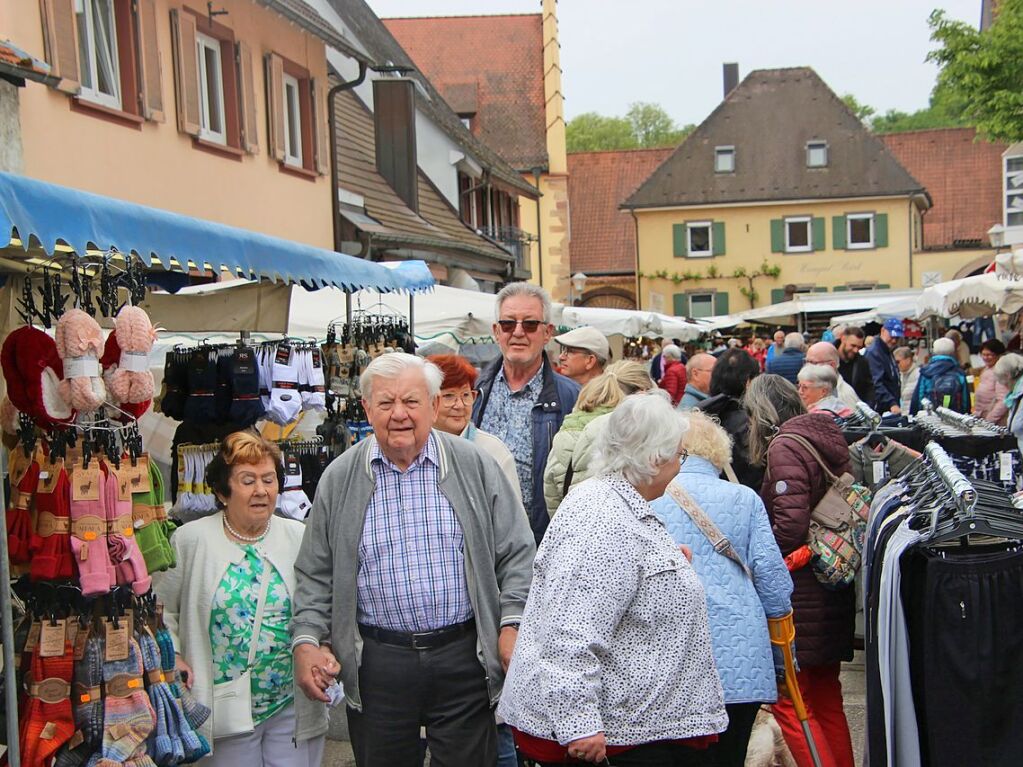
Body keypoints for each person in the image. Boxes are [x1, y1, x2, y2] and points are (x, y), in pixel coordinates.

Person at [291, 353, 536, 767]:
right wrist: (307, 641)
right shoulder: (339, 477)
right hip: (379, 661)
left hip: (464, 655)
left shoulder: (475, 465)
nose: (399, 414)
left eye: (411, 401)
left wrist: (511, 623)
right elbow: (316, 574)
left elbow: (517, 553)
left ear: (434, 406)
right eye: (385, 403)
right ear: (367, 409)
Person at [499, 394, 727, 766]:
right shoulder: (604, 518)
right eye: (678, 456)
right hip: (618, 736)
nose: (679, 466)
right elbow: (571, 628)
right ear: (654, 459)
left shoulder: (613, 503)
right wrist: (579, 724)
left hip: (633, 724)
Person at [155, 432, 329, 766]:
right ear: (222, 491)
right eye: (248, 481)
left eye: (269, 480)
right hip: (222, 706)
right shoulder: (190, 540)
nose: (261, 490)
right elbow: (162, 609)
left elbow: (320, 602)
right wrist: (173, 654)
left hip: (289, 701)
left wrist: (324, 647)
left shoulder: (298, 536)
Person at [650, 411, 793, 767]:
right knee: (729, 754)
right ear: (718, 453)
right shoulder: (744, 499)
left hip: (671, 651)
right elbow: (774, 584)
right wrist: (783, 661)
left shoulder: (646, 498)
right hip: (740, 655)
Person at [746, 375, 856, 767]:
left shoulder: (785, 447)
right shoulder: (825, 434)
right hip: (831, 583)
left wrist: (761, 560)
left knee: (792, 701)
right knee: (826, 696)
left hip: (800, 590)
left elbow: (789, 527)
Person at [473, 282, 580, 543]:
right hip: (482, 539)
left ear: (547, 332)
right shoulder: (473, 391)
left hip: (544, 542)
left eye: (530, 324)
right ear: (497, 331)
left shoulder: (572, 398)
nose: (518, 332)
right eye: (509, 324)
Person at [544, 361, 653, 515]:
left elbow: (551, 491)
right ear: (643, 392)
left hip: (570, 528)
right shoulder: (633, 436)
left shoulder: (567, 428)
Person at [428, 353, 520, 495]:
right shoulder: (416, 449)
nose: (459, 405)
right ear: (429, 401)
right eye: (449, 396)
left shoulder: (493, 450)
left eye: (465, 395)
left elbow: (511, 514)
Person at [699, 349, 763, 490]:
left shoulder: (699, 415)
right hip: (741, 497)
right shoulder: (748, 422)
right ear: (748, 382)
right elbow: (753, 473)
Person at [910, 337, 972, 414]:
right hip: (954, 416)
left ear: (934, 351)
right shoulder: (959, 373)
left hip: (930, 416)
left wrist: (914, 415)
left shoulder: (926, 372)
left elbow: (919, 396)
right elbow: (965, 401)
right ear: (953, 352)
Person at [865, 318, 904, 414]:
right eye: (891, 336)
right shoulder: (875, 352)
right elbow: (876, 383)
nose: (894, 341)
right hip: (880, 409)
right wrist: (892, 403)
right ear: (882, 330)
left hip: (888, 408)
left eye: (897, 338)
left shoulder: (887, 351)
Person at [806, 341, 860, 409]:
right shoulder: (814, 387)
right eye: (806, 362)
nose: (807, 367)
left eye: (813, 363)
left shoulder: (844, 395)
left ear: (831, 365)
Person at [973, 339, 1009, 425]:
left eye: (989, 355)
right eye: (983, 354)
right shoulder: (986, 369)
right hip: (982, 418)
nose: (985, 358)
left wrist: (989, 420)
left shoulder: (1001, 371)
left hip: (995, 423)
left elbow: (1003, 400)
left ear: (998, 355)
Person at [836, 327, 873, 404]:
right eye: (853, 345)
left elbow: (869, 388)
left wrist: (868, 405)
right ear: (843, 339)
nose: (856, 350)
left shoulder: (862, 362)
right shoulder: (827, 357)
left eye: (859, 347)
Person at [996, 353, 1023, 452]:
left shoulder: (1019, 395)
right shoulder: (1016, 395)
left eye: (1004, 383)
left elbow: (1016, 425)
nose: (1005, 386)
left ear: (1007, 376)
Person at [893, 346, 920, 414]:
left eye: (898, 361)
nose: (896, 365)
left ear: (908, 360)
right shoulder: (900, 375)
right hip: (903, 414)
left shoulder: (918, 374)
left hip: (913, 415)